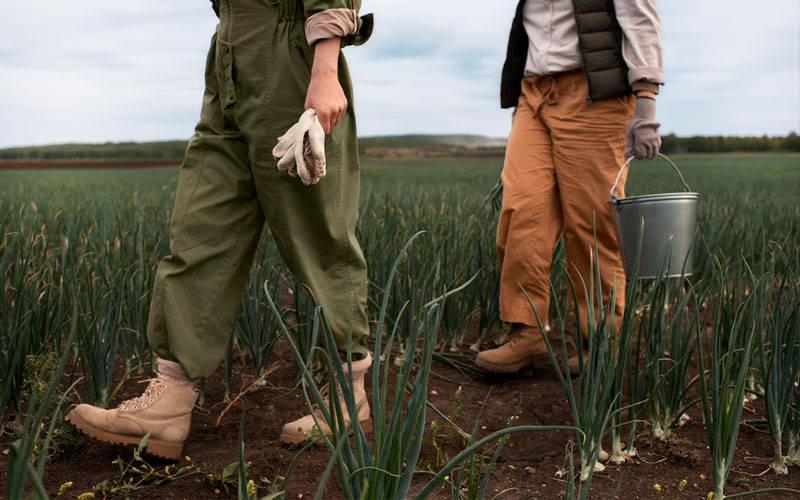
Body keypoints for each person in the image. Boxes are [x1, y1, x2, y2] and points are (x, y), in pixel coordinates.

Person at [67, 0, 374, 459]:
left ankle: (351, 396)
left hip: (292, 57)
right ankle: (169, 400)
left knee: (318, 235)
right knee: (199, 230)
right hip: (228, 57)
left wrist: (325, 67)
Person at [476, 0, 664, 373]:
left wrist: (646, 102)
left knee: (591, 223)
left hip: (594, 96)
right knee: (521, 210)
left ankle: (602, 342)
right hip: (533, 95)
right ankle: (527, 332)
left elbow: (640, 18)